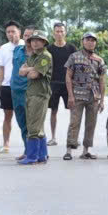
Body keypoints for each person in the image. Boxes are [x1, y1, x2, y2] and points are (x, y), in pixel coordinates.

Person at [63, 35, 104, 159]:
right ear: (83, 42)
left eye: (93, 40)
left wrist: (102, 100)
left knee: (91, 123)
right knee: (74, 122)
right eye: (88, 40)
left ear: (95, 43)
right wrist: (70, 95)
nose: (90, 43)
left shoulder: (99, 60)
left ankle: (86, 151)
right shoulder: (74, 57)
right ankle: (69, 150)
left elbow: (102, 80)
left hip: (94, 95)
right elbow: (68, 76)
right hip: (77, 94)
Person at [16, 32, 53, 163]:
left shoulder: (45, 56)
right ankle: (42, 155)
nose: (35, 42)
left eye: (39, 40)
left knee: (33, 126)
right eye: (33, 40)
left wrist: (29, 70)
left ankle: (32, 156)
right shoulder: (33, 56)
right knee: (38, 125)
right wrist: (30, 69)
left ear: (44, 42)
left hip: (40, 94)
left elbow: (34, 75)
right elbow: (20, 72)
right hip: (31, 93)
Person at [0, 21, 25, 153]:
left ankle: (28, 144)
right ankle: (6, 144)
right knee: (8, 116)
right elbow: (1, 68)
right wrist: (0, 86)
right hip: (7, 86)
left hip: (23, 86)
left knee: (25, 116)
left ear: (19, 32)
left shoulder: (26, 45)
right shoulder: (4, 48)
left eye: (13, 31)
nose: (11, 34)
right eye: (8, 32)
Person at [47, 22, 76, 154]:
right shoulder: (49, 49)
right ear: (53, 33)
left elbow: (77, 66)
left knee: (73, 111)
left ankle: (72, 138)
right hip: (53, 83)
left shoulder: (71, 48)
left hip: (68, 84)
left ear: (65, 33)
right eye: (57, 31)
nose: (59, 33)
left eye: (61, 31)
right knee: (53, 111)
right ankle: (53, 137)